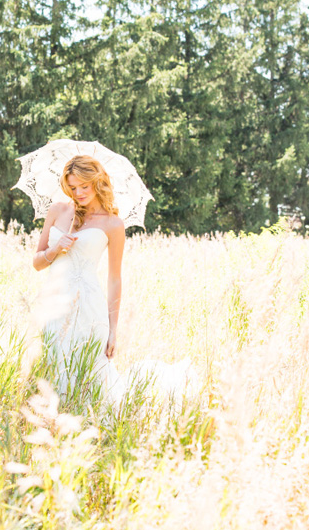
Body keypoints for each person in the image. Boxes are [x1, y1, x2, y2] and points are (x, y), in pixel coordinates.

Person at [32, 155, 196, 407]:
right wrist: (54, 250)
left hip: (89, 307)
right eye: (73, 187)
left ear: (97, 182)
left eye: (84, 186)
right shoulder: (58, 211)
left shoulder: (113, 224)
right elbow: (37, 262)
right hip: (54, 303)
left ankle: (87, 421)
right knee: (52, 364)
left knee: (89, 370)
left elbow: (114, 279)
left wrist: (113, 329)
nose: (78, 193)